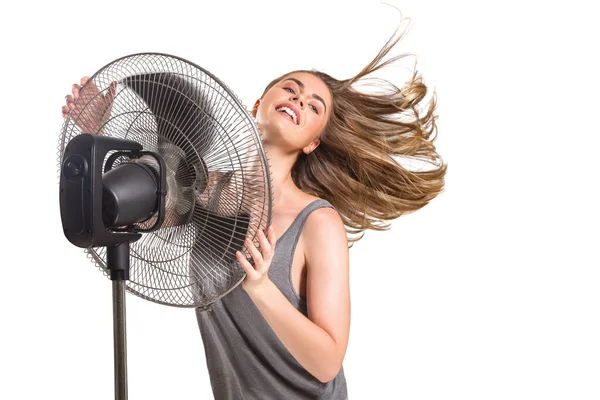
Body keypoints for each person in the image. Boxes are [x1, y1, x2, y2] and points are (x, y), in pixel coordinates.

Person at [62, 15, 446, 400]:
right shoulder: (203, 191)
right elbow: (127, 212)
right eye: (291, 89)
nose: (298, 100)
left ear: (312, 143)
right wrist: (98, 135)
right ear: (257, 105)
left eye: (314, 107)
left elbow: (327, 361)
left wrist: (261, 287)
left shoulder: (318, 222)